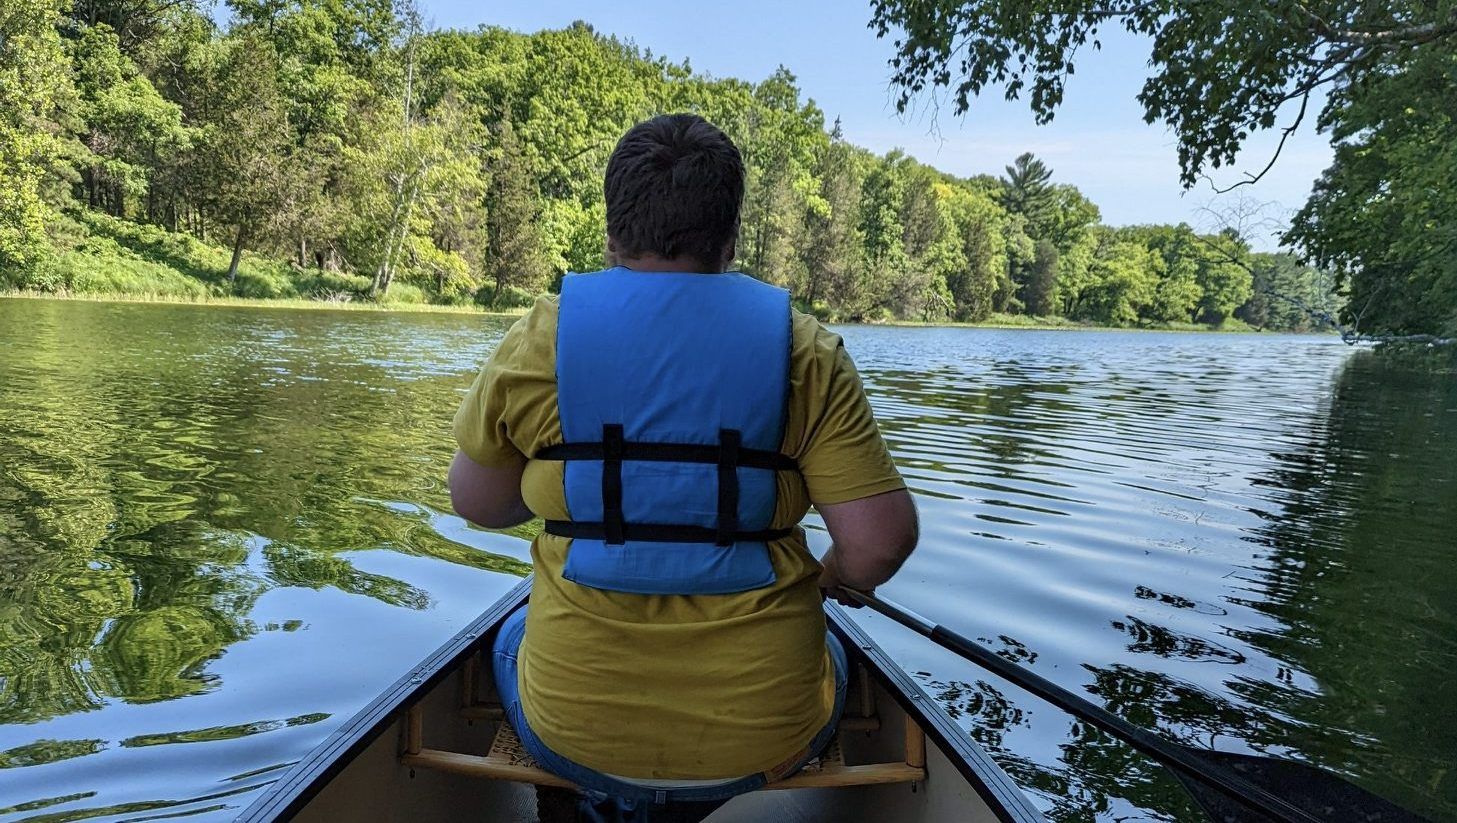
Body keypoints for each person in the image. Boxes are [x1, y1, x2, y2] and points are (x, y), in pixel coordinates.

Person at [449, 113, 918, 822]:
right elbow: (878, 542)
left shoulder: (539, 336)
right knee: (830, 656)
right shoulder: (805, 350)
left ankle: (598, 795)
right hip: (767, 733)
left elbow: (477, 501)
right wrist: (835, 578)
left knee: (510, 635)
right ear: (730, 241)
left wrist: (577, 492)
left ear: (611, 237)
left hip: (573, 727)